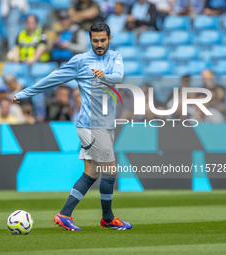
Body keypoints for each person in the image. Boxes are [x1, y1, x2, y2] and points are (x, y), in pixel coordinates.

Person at [12, 22, 132, 231]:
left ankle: (65, 214)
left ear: (109, 39)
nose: (99, 44)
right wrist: (24, 93)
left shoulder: (115, 57)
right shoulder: (80, 61)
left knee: (93, 171)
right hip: (91, 125)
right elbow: (52, 79)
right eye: (95, 41)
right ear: (90, 40)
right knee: (111, 169)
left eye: (103, 40)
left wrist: (105, 76)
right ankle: (108, 218)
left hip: (103, 124)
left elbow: (118, 76)